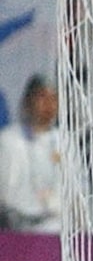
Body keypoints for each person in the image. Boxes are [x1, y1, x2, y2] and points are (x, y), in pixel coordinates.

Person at [0, 73, 63, 232]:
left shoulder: (66, 142)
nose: (48, 104)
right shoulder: (9, 140)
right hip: (17, 229)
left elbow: (79, 191)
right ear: (28, 101)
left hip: (58, 227)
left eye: (53, 98)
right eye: (42, 97)